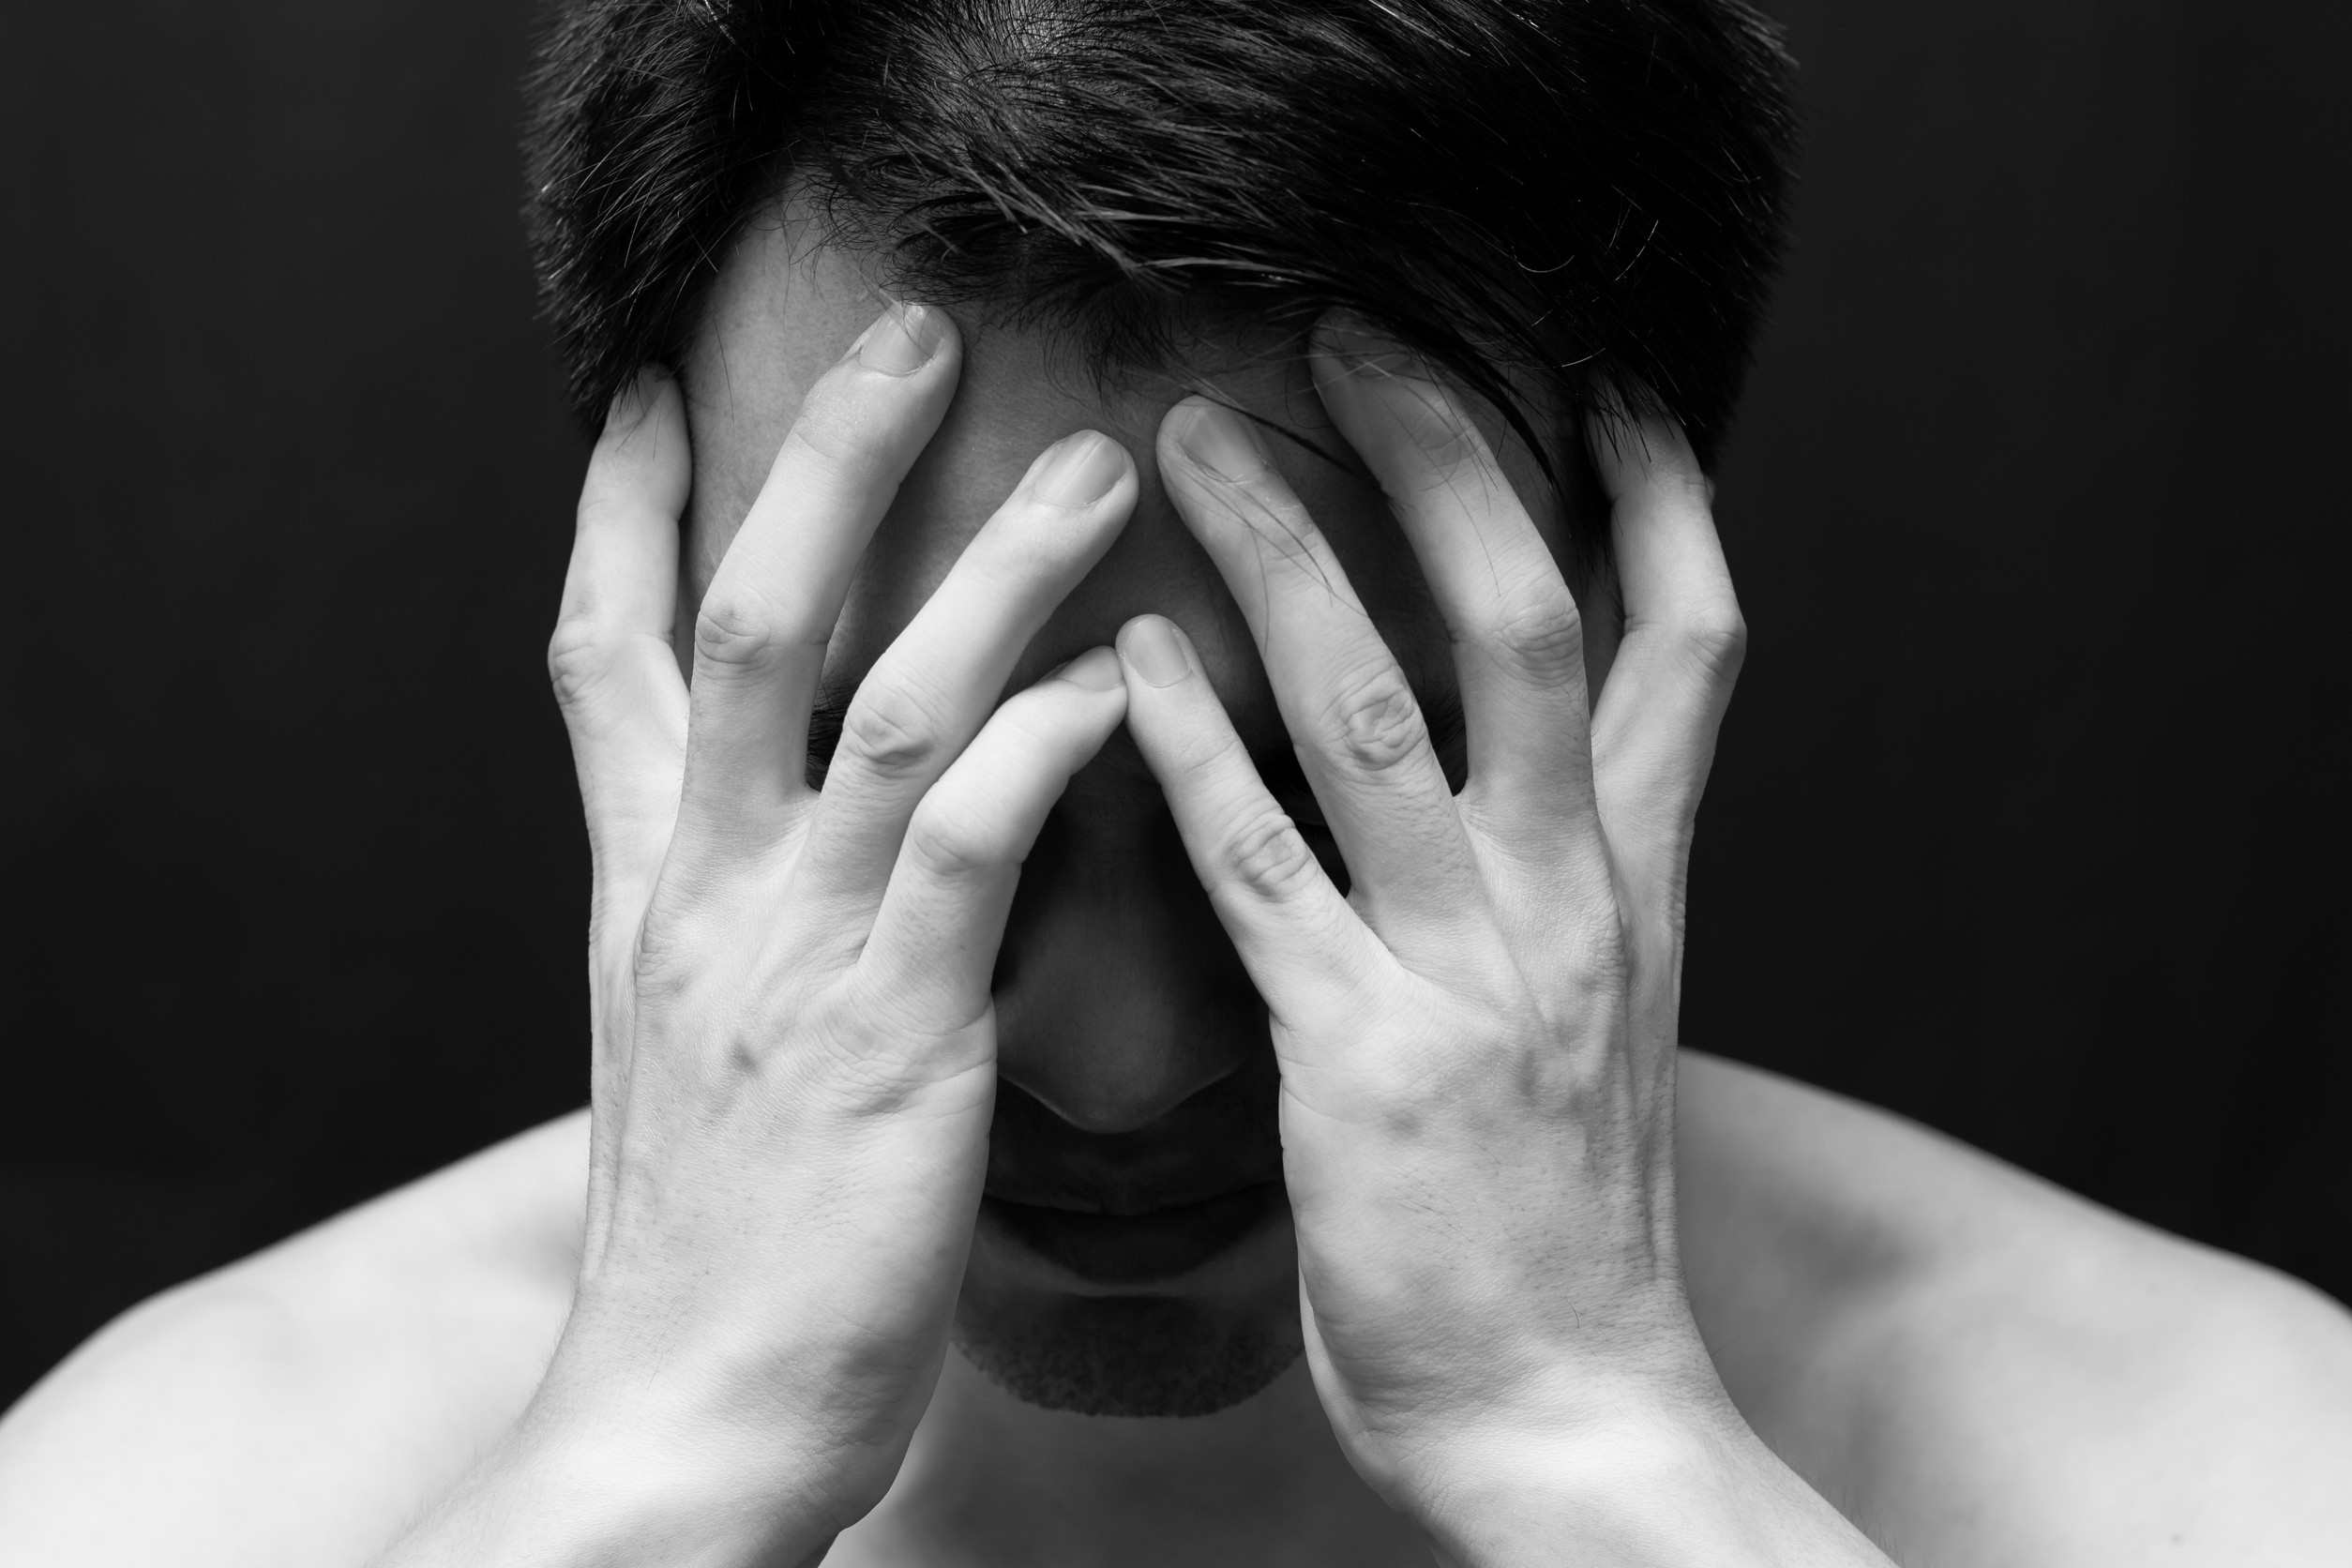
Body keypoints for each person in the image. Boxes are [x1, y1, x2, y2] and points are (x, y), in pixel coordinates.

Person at [3, 0, 2348, 1562]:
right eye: (902, 763)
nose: (1121, 1066)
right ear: (657, 638)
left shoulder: (2209, 1474)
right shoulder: (204, 1491)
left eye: (1352, 775)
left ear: (1641, 635)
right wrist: (646, 1479)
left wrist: (1609, 1463)